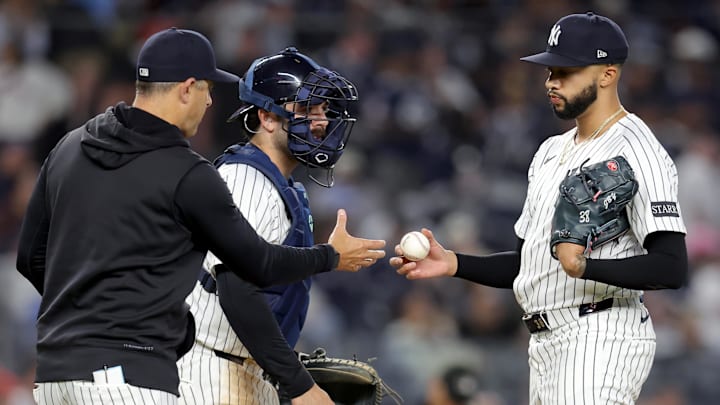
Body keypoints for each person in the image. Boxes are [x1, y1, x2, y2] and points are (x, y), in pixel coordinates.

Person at [15, 28, 386, 405]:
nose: (211, 101)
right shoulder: (189, 172)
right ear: (187, 88)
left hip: (55, 374)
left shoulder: (70, 145)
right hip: (138, 374)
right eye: (208, 88)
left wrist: (88, 313)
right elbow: (254, 267)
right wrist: (331, 256)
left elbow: (31, 257)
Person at [390, 12, 688, 404]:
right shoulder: (551, 151)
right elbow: (526, 264)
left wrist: (585, 267)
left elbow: (671, 266)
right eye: (550, 71)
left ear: (607, 74)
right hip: (546, 341)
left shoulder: (638, 151)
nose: (551, 82)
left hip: (600, 332)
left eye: (565, 71)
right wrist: (455, 264)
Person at [177, 47, 359, 405]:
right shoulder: (245, 181)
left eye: (324, 109)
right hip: (208, 374)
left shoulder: (279, 184)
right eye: (307, 109)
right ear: (267, 117)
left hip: (243, 372)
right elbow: (238, 292)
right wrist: (298, 382)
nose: (321, 121)